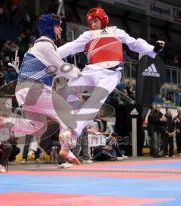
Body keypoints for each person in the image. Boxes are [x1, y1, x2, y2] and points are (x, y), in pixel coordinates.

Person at [57, 7, 165, 143]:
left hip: (110, 74)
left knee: (95, 101)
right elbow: (70, 47)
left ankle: (73, 133)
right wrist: (47, 55)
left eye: (95, 21)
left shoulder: (116, 31)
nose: (93, 25)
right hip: (90, 70)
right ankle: (64, 123)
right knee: (65, 93)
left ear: (103, 20)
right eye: (90, 22)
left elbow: (135, 43)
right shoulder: (88, 35)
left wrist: (152, 49)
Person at [15, 14, 82, 164]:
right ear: (49, 28)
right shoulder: (45, 46)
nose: (60, 28)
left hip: (23, 91)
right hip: (34, 89)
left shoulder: (38, 48)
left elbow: (56, 71)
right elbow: (62, 68)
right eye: (57, 25)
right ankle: (65, 148)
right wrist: (80, 73)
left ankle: (5, 123)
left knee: (38, 126)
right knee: (66, 113)